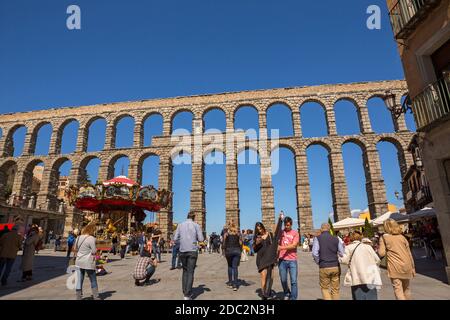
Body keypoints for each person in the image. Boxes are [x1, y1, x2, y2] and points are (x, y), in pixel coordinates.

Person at [378, 219, 415, 300]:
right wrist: (413, 267)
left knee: (398, 289)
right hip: (407, 265)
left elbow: (381, 253)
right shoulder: (402, 237)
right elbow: (409, 253)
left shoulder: (384, 237)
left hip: (395, 266)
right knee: (407, 289)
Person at [340, 230, 382, 300]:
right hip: (370, 275)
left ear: (351, 238)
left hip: (356, 275)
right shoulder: (368, 247)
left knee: (358, 296)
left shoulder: (348, 247)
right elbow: (377, 260)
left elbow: (344, 260)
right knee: (371, 296)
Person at [173, 211, 204, 300]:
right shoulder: (196, 225)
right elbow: (201, 239)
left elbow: (175, 238)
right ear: (194, 217)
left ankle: (184, 290)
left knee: (185, 270)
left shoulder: (180, 225)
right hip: (192, 250)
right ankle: (187, 294)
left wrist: (182, 239)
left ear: (187, 216)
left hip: (182, 250)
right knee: (190, 272)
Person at [253, 212, 283, 300]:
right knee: (263, 276)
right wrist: (257, 243)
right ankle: (264, 295)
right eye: (258, 229)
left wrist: (279, 220)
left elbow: (277, 235)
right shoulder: (257, 237)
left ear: (263, 227)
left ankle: (268, 291)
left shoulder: (269, 234)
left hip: (269, 258)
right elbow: (254, 250)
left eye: (260, 228)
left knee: (271, 276)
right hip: (261, 258)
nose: (260, 230)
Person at [312, 223, 345, 300]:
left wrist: (318, 261)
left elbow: (314, 253)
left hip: (324, 266)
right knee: (335, 289)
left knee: (325, 288)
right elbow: (342, 253)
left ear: (321, 229)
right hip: (335, 266)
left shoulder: (318, 238)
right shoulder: (336, 239)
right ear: (329, 229)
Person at [74, 222, 100, 300]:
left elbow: (75, 248)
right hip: (88, 262)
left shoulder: (78, 238)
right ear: (92, 230)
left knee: (79, 280)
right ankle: (95, 296)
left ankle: (78, 297)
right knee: (93, 279)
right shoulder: (92, 238)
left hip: (79, 261)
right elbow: (94, 251)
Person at [278, 216, 299, 300]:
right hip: (282, 260)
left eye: (288, 225)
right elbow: (274, 229)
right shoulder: (281, 232)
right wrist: (279, 219)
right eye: (285, 225)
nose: (286, 227)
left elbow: (294, 245)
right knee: (283, 280)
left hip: (292, 260)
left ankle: (293, 298)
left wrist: (281, 248)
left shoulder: (295, 233)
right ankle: (286, 292)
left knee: (293, 281)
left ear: (291, 225)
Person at [222, 224, 242, 291]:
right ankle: (235, 285)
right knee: (235, 267)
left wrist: (223, 251)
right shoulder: (238, 234)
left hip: (229, 251)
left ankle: (230, 283)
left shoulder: (226, 234)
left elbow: (224, 243)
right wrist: (241, 251)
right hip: (237, 251)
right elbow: (241, 243)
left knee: (230, 266)